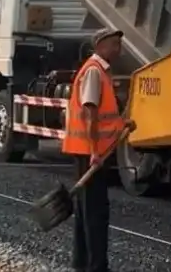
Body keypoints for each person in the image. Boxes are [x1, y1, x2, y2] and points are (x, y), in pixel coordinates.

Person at [62, 28, 133, 272]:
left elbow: (104, 116)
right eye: (114, 44)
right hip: (91, 154)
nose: (118, 49)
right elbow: (90, 113)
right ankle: (96, 267)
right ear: (101, 45)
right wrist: (94, 152)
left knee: (85, 212)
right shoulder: (94, 72)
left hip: (93, 152)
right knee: (95, 213)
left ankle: (82, 264)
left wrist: (124, 124)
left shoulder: (100, 71)